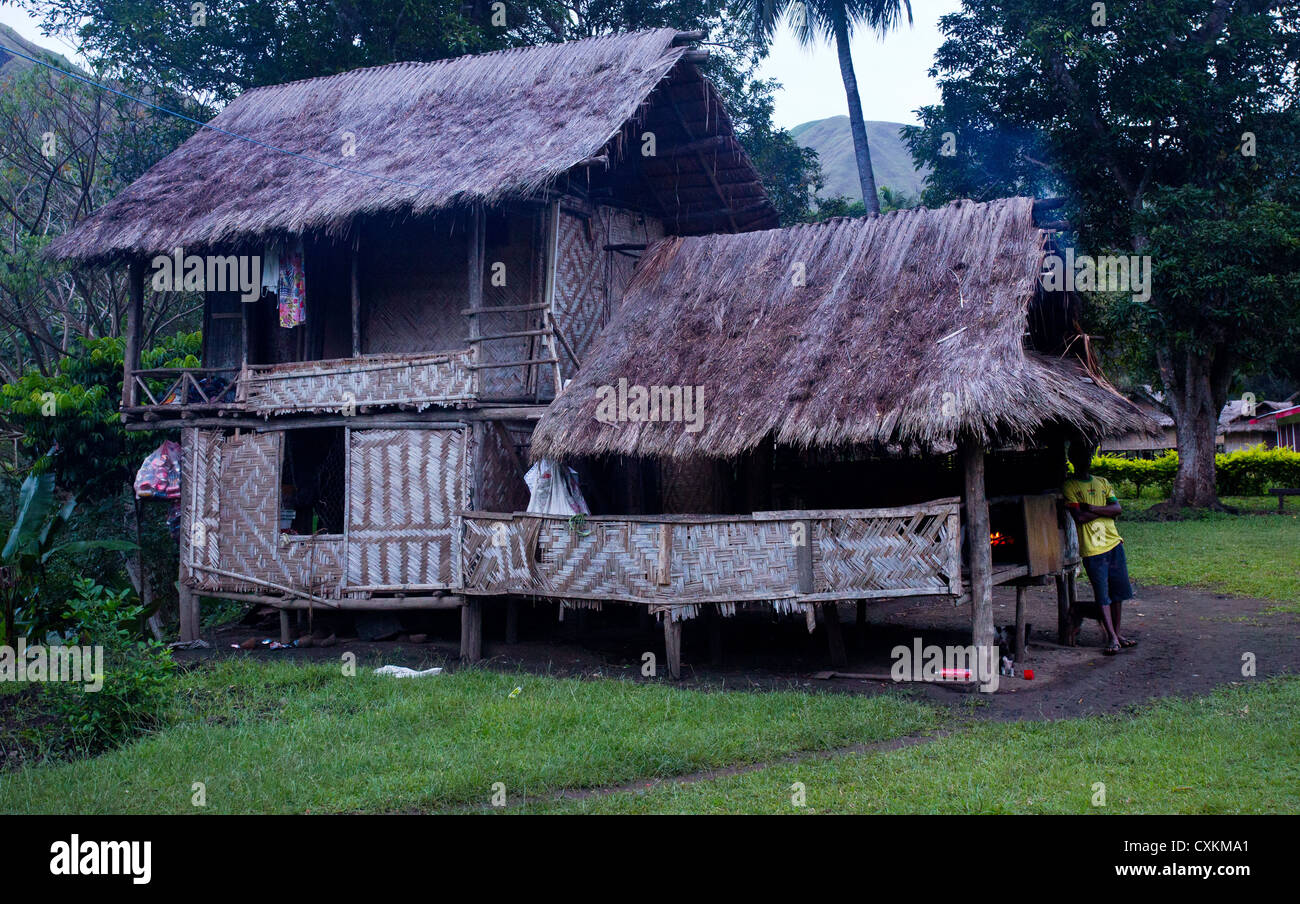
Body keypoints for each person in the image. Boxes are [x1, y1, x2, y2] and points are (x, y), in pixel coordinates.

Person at [1063, 441, 1138, 655]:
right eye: (1079, 456)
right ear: (1072, 460)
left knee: (1118, 593)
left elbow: (1118, 509)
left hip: (1114, 542)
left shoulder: (1102, 482)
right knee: (1102, 595)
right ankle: (1112, 637)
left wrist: (1094, 508)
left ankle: (1117, 633)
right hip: (1093, 549)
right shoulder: (1070, 486)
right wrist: (1106, 510)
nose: (1084, 460)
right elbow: (1079, 517)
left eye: (1087, 455)